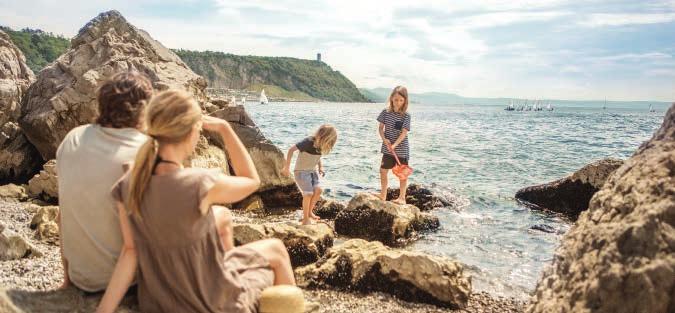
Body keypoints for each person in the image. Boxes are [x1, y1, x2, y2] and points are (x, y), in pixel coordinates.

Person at [96, 90, 295, 313]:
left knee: (221, 217)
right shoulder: (199, 183)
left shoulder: (129, 184)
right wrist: (225, 129)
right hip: (213, 304)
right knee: (276, 249)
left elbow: (130, 251)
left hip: (160, 303)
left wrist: (104, 309)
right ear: (191, 133)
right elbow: (252, 180)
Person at [56, 71, 152, 292]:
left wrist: (68, 280)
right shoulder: (145, 150)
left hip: (80, 277)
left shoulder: (73, 138)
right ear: (142, 110)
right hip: (128, 283)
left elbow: (63, 216)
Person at [281, 125, 338, 225]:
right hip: (301, 172)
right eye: (329, 142)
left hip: (312, 171)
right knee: (308, 194)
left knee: (318, 190)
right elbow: (291, 150)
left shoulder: (321, 145)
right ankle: (305, 219)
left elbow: (317, 157)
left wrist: (320, 167)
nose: (329, 145)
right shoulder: (308, 142)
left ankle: (310, 212)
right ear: (323, 136)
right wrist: (287, 168)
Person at [376, 86, 411, 204]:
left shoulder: (406, 115)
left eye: (401, 100)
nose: (398, 102)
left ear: (405, 101)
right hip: (387, 148)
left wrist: (395, 145)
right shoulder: (385, 112)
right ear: (391, 98)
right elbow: (380, 128)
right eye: (396, 100)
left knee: (402, 173)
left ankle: (402, 198)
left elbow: (404, 133)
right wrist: (384, 139)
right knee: (383, 170)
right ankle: (383, 195)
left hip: (401, 149)